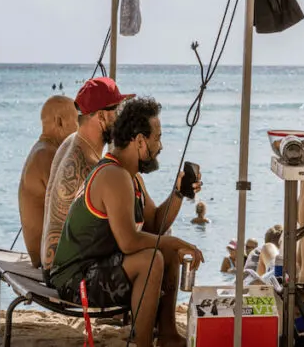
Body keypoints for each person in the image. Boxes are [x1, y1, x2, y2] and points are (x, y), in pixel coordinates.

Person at [48, 97, 203, 347]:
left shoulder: (130, 177)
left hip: (98, 267)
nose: (160, 146)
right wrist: (174, 242)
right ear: (140, 141)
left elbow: (154, 224)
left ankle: (167, 335)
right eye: (157, 138)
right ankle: (141, 342)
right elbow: (129, 242)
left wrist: (178, 194)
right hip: (74, 280)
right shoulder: (113, 175)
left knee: (166, 252)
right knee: (152, 260)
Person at [41, 77, 133, 271]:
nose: (121, 118)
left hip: (50, 263)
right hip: (65, 272)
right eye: (117, 110)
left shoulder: (71, 142)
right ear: (101, 116)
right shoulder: (90, 166)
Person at [18, 96, 79, 266]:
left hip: (47, 255)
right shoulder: (47, 155)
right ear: (60, 122)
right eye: (77, 120)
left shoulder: (43, 150)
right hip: (49, 261)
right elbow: (75, 209)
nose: (79, 128)